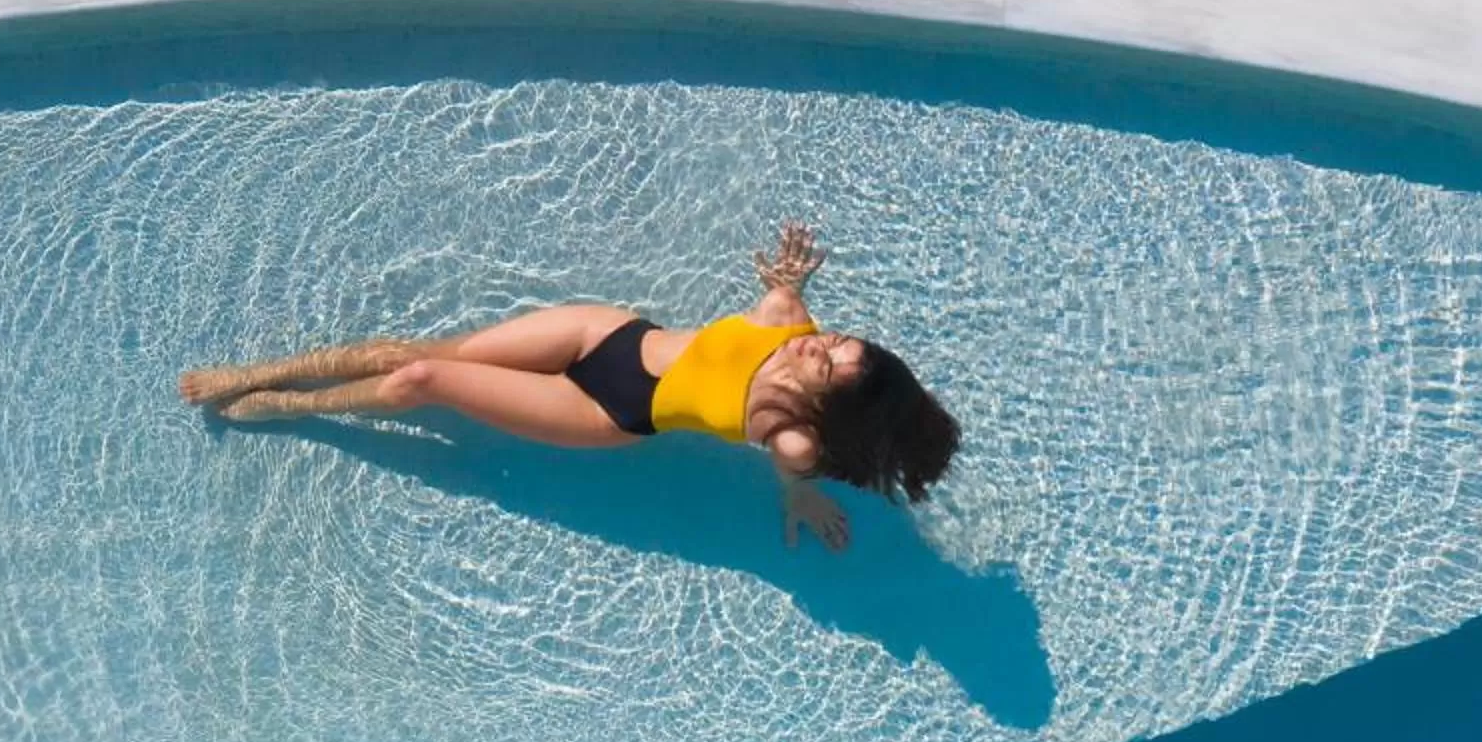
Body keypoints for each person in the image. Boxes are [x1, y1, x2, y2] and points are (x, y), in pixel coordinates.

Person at [177, 221, 959, 551]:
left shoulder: (795, 433)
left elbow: (791, 469)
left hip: (608, 409)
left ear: (828, 402)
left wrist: (800, 497)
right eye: (835, 340)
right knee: (408, 349)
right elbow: (793, 304)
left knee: (420, 380)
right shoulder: (787, 318)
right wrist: (787, 274)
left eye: (826, 364)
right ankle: (254, 373)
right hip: (606, 334)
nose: (817, 346)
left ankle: (289, 404)